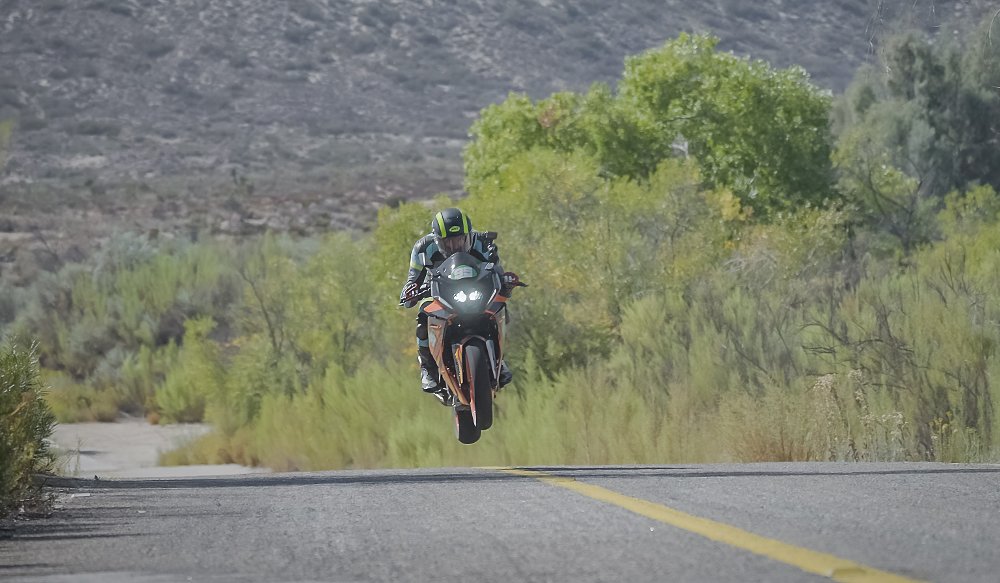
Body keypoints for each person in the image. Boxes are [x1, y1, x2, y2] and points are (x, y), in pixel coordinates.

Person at [399, 207, 514, 404]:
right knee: (423, 315)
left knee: (500, 306)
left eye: (460, 239)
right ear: (437, 240)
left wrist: (507, 283)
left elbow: (497, 271)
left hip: (476, 290)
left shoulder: (482, 241)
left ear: (468, 235)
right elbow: (412, 280)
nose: (455, 245)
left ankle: (499, 359)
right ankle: (427, 367)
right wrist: (410, 291)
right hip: (439, 291)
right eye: (448, 242)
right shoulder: (422, 248)